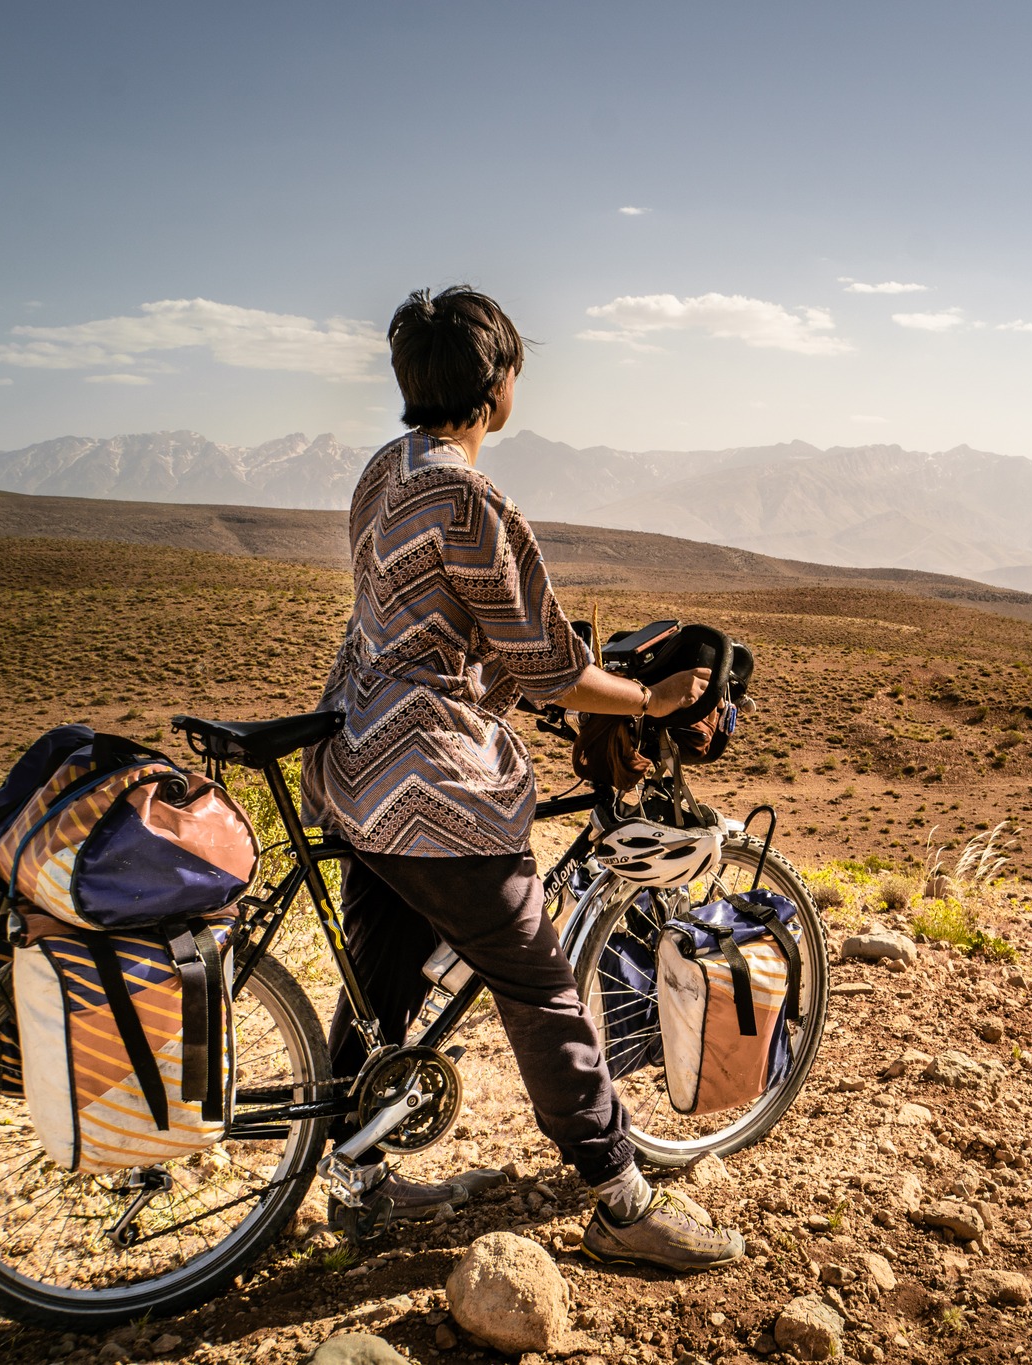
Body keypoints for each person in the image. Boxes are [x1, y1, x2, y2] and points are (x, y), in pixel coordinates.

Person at [300, 285, 743, 1271]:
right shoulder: (472, 498)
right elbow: (547, 665)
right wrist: (655, 701)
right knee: (543, 991)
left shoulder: (383, 473)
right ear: (496, 388)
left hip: (356, 768)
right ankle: (623, 1205)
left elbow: (427, 619)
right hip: (434, 781)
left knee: (379, 981)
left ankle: (357, 1181)